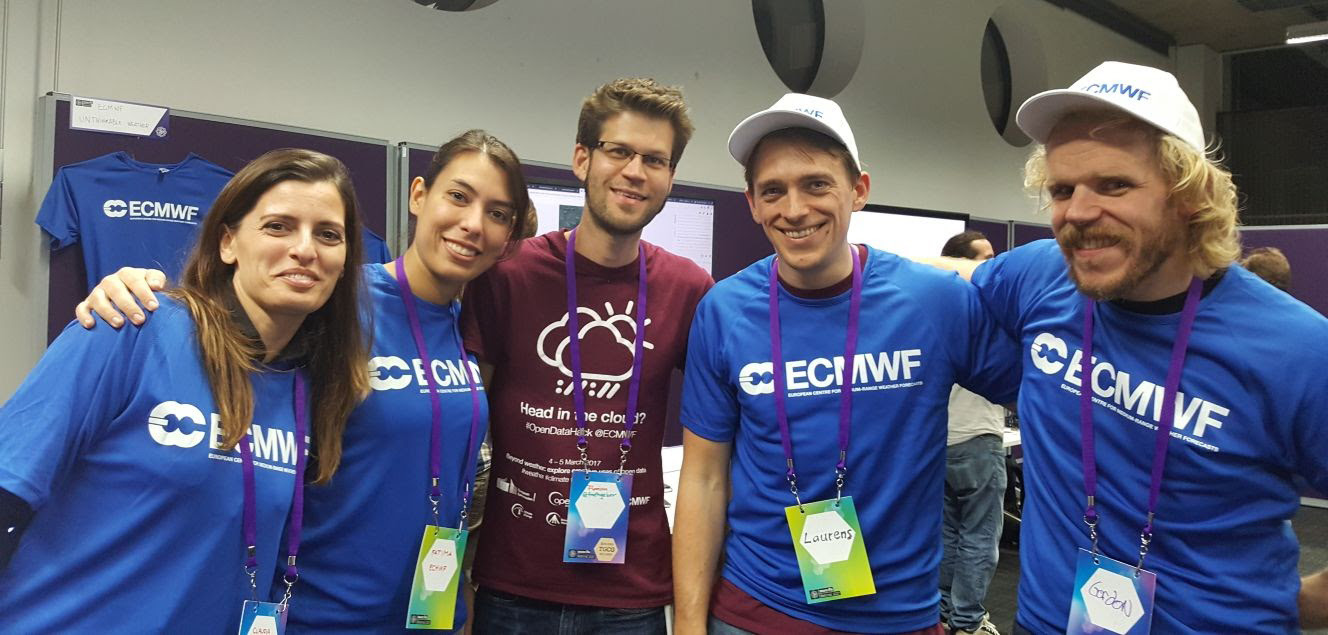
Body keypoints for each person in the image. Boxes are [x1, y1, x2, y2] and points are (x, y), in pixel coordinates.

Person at [72, 129, 533, 632]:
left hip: (426, 614)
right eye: (459, 196)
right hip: (315, 613)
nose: (472, 224)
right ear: (419, 194)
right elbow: (224, 326)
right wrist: (132, 289)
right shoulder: (335, 302)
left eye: (497, 213)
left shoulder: (472, 326)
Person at [939, 60, 1328, 632]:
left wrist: (1280, 603)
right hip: (1048, 622)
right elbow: (942, 279)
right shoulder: (1041, 276)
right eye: (1063, 189)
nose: (1078, 212)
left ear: (1190, 195)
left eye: (1114, 185)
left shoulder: (1298, 350)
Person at [672, 93, 1020, 635]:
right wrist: (688, 626)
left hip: (897, 617)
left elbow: (1049, 395)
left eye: (816, 184)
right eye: (773, 190)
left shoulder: (933, 301)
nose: (794, 209)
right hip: (754, 611)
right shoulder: (724, 310)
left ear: (858, 190)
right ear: (753, 204)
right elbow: (703, 478)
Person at [0, 148, 368, 631]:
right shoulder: (132, 325)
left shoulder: (313, 388)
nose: (305, 249)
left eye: (328, 234)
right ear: (228, 243)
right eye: (278, 226)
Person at [461, 77, 713, 633]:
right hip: (511, 585)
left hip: (632, 593)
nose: (634, 171)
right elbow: (460, 426)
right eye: (618, 151)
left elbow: (722, 435)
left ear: (670, 176)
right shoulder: (509, 274)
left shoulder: (688, 288)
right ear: (582, 159)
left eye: (654, 159)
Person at [937, 230, 1005, 635]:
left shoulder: (936, 308)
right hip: (978, 440)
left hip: (942, 442)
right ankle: (968, 622)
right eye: (986, 257)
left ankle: (945, 615)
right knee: (980, 538)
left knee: (949, 535)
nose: (992, 264)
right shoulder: (991, 310)